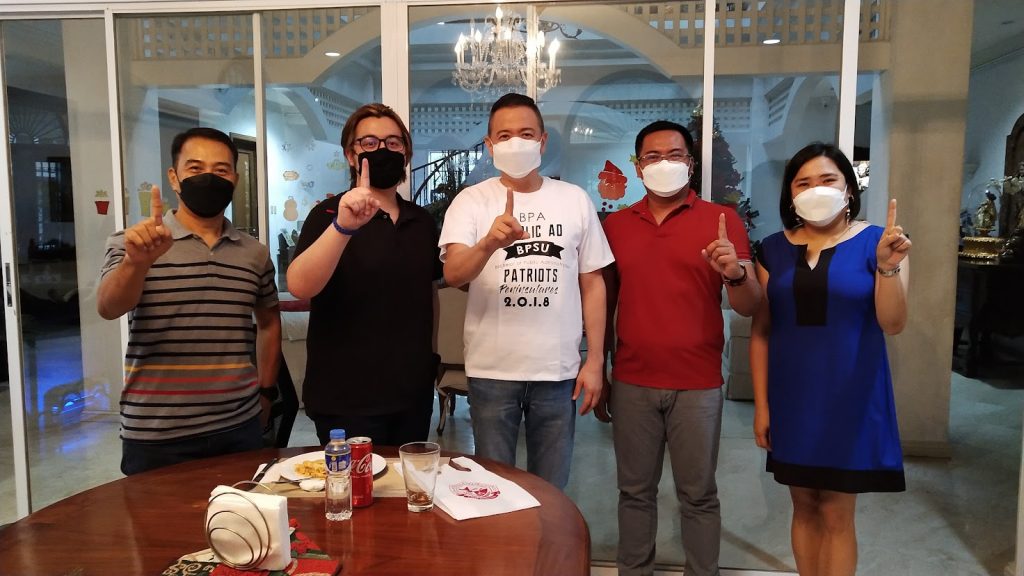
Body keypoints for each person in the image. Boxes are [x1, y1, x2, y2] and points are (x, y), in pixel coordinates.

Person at [598, 120, 761, 576]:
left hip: (698, 384)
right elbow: (604, 304)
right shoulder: (617, 226)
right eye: (653, 156)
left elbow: (750, 305)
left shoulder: (721, 221)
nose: (664, 163)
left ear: (690, 163)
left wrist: (735, 273)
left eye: (675, 155)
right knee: (634, 493)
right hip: (632, 380)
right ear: (638, 166)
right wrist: (601, 368)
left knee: (699, 494)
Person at [750, 142, 910, 576]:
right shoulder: (772, 249)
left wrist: (888, 267)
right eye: (803, 183)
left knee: (838, 511)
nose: (815, 189)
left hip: (851, 397)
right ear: (790, 195)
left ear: (848, 189)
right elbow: (762, 331)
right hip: (793, 398)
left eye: (827, 179)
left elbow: (893, 323)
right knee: (803, 504)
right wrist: (762, 406)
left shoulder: (880, 242)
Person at [439, 92, 613, 490]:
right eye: (504, 135)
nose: (515, 143)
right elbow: (453, 274)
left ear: (543, 141)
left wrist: (595, 360)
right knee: (493, 489)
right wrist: (488, 243)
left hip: (558, 371)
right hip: (491, 371)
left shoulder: (574, 200)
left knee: (551, 490)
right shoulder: (471, 201)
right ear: (489, 145)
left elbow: (593, 283)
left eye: (526, 133)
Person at [98, 127, 281, 476]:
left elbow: (269, 322)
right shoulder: (132, 243)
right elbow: (108, 308)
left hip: (238, 426)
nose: (208, 178)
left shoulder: (254, 253)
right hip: (156, 431)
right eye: (195, 168)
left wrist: (266, 393)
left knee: (241, 512)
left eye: (221, 170)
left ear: (235, 179)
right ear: (174, 177)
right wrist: (136, 263)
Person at [287, 103, 441, 446]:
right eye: (369, 142)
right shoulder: (327, 214)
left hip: (411, 394)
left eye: (393, 142)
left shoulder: (421, 222)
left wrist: (430, 361)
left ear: (406, 153)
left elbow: (429, 294)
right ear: (351, 154)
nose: (382, 150)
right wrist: (343, 227)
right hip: (345, 398)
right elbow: (299, 285)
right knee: (354, 482)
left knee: (406, 480)